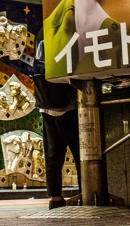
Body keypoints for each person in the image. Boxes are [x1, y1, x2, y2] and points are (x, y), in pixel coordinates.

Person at [33, 32, 79, 210]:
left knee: (52, 156)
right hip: (67, 107)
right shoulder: (71, 40)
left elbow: (39, 71)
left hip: (46, 107)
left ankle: (55, 198)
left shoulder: (44, 43)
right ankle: (88, 192)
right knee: (79, 153)